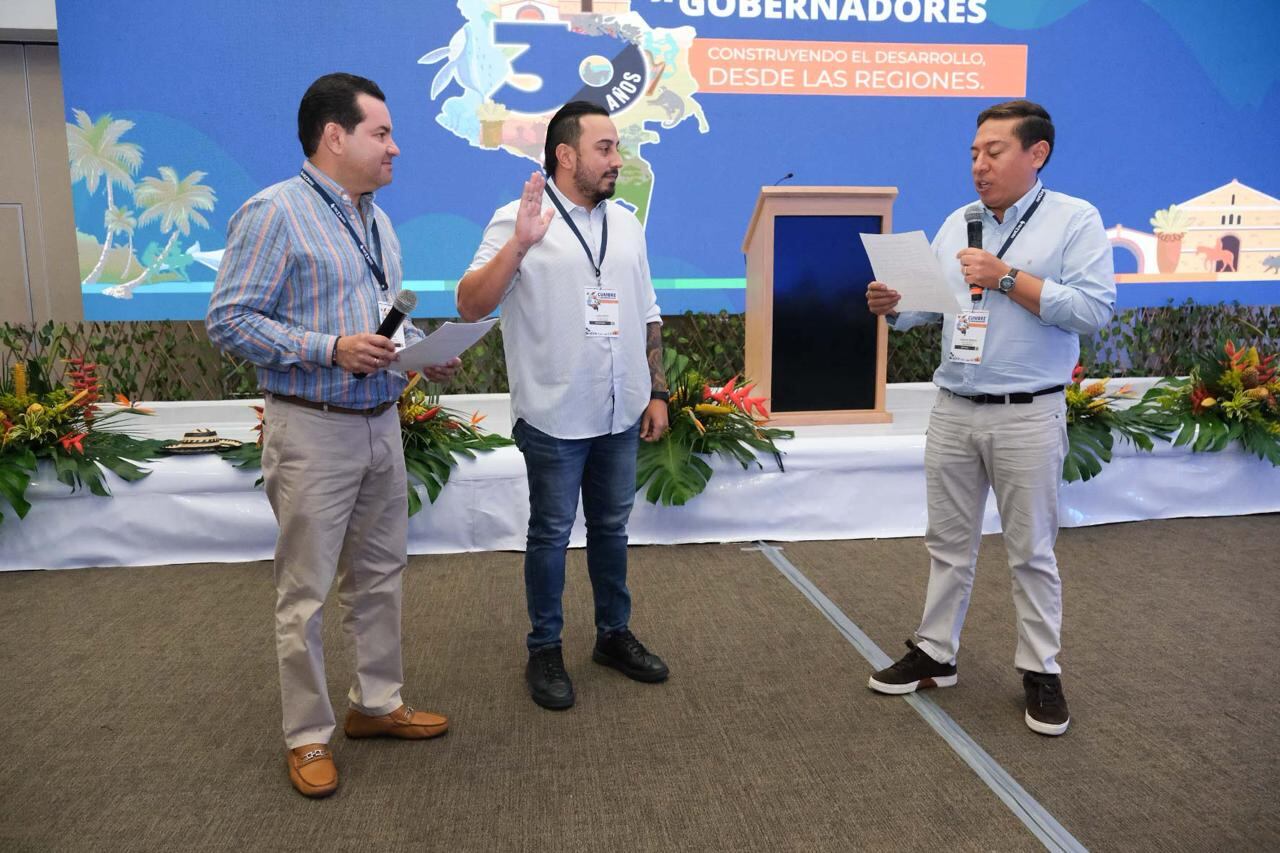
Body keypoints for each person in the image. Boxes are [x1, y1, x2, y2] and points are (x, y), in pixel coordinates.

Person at [207, 72, 460, 797]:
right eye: (382, 133)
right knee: (306, 592)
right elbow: (228, 319)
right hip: (312, 428)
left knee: (380, 576)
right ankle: (307, 735)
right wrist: (329, 347)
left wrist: (422, 353)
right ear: (335, 137)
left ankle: (376, 704)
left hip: (382, 420)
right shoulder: (274, 213)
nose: (396, 147)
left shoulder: (375, 218)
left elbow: (382, 317)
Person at [864, 100, 1115, 736]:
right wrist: (894, 306)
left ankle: (1041, 671)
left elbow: (1092, 312)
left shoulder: (1073, 220)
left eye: (993, 152)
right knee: (947, 544)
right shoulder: (960, 222)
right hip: (953, 406)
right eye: (974, 152)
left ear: (1037, 154)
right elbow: (936, 309)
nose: (979, 165)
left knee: (1030, 552)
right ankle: (935, 653)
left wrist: (1007, 278)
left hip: (1027, 412)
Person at [456, 101, 670, 711]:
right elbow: (471, 303)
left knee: (611, 528)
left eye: (618, 148)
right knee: (550, 533)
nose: (617, 160)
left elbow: (647, 312)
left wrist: (655, 391)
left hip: (620, 410)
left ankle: (612, 635)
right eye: (605, 148)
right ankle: (544, 648)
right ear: (566, 155)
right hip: (554, 413)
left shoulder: (626, 224)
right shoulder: (518, 220)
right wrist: (519, 247)